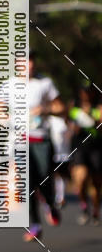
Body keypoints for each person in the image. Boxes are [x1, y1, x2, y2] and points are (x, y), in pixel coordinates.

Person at [24, 51, 65, 242]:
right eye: (24, 61)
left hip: (41, 140)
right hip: (21, 140)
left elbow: (60, 107)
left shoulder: (44, 83)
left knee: (44, 179)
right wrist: (3, 116)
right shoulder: (8, 86)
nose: (29, 64)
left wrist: (45, 109)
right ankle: (35, 224)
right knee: (27, 183)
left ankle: (50, 203)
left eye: (31, 60)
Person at [68, 85, 102, 225]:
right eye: (83, 92)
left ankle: (95, 210)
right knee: (81, 178)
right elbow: (69, 125)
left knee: (96, 183)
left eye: (89, 92)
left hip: (96, 148)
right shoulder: (74, 108)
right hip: (80, 147)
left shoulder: (98, 108)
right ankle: (84, 206)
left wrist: (90, 118)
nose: (86, 95)